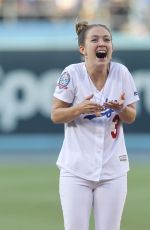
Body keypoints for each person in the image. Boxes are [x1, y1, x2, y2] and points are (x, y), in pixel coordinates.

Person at [51, 21, 139, 230]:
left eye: (107, 39)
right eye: (95, 39)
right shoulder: (72, 73)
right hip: (76, 169)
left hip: (113, 170)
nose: (102, 43)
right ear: (83, 49)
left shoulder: (121, 73)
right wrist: (79, 108)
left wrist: (120, 108)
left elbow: (131, 116)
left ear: (112, 47)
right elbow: (56, 115)